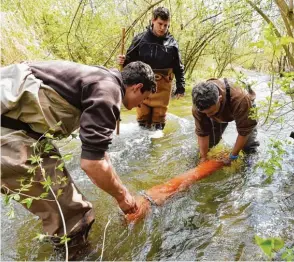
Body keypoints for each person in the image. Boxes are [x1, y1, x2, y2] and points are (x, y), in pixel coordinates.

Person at [0, 60, 156, 251]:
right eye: (143, 99)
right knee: (74, 217)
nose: (140, 105)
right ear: (137, 87)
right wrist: (123, 197)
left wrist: (118, 186)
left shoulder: (100, 78)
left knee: (61, 193)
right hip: (7, 132)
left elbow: (98, 153)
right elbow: (92, 164)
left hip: (21, 130)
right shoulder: (109, 91)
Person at [118, 6, 185, 130]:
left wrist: (181, 87)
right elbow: (129, 63)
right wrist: (123, 61)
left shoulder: (172, 44)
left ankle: (157, 146)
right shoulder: (140, 39)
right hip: (142, 85)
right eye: (160, 24)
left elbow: (178, 67)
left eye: (166, 25)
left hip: (163, 86)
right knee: (142, 121)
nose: (163, 28)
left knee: (158, 122)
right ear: (153, 20)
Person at [191, 78, 260, 164]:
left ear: (219, 99)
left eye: (211, 112)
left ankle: (250, 165)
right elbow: (202, 132)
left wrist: (233, 156)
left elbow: (244, 131)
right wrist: (203, 157)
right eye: (205, 113)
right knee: (209, 145)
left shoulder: (241, 100)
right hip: (219, 106)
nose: (208, 116)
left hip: (243, 104)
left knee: (248, 146)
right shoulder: (198, 106)